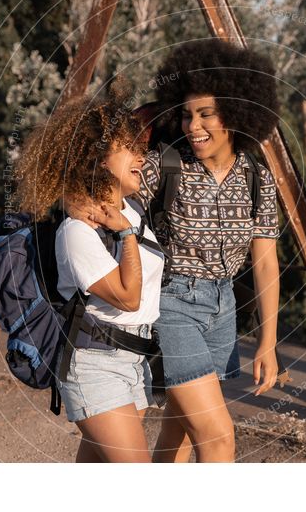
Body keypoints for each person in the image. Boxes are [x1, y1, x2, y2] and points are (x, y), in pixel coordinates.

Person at [74, 39, 282, 462]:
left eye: (207, 114)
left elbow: (265, 262)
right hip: (172, 304)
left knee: (182, 433)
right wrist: (76, 202)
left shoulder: (257, 177)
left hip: (223, 309)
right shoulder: (168, 164)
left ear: (237, 114)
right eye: (187, 114)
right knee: (218, 437)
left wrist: (269, 341)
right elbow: (106, 190)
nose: (194, 125)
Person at [14, 84, 164, 463]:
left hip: (136, 358)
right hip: (95, 363)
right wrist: (126, 235)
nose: (141, 157)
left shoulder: (133, 209)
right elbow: (128, 298)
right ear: (98, 158)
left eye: (141, 148)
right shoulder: (78, 231)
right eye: (129, 149)